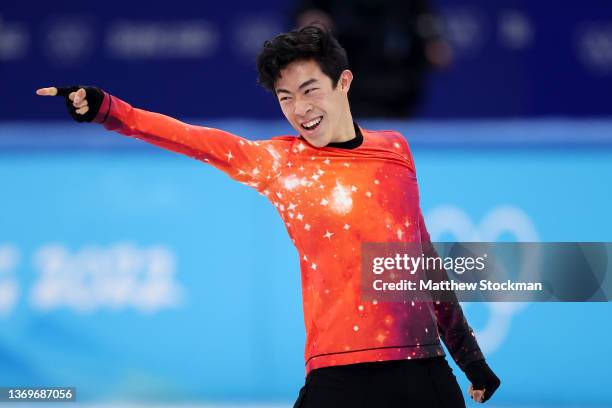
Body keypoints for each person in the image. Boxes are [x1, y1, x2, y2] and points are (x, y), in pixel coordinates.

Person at [37, 25, 499, 407]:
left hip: (423, 374)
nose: (300, 109)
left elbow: (422, 262)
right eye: (285, 98)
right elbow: (190, 138)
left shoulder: (395, 151)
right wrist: (110, 111)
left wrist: (470, 358)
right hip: (338, 377)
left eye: (309, 90)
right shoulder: (277, 162)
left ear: (344, 82)